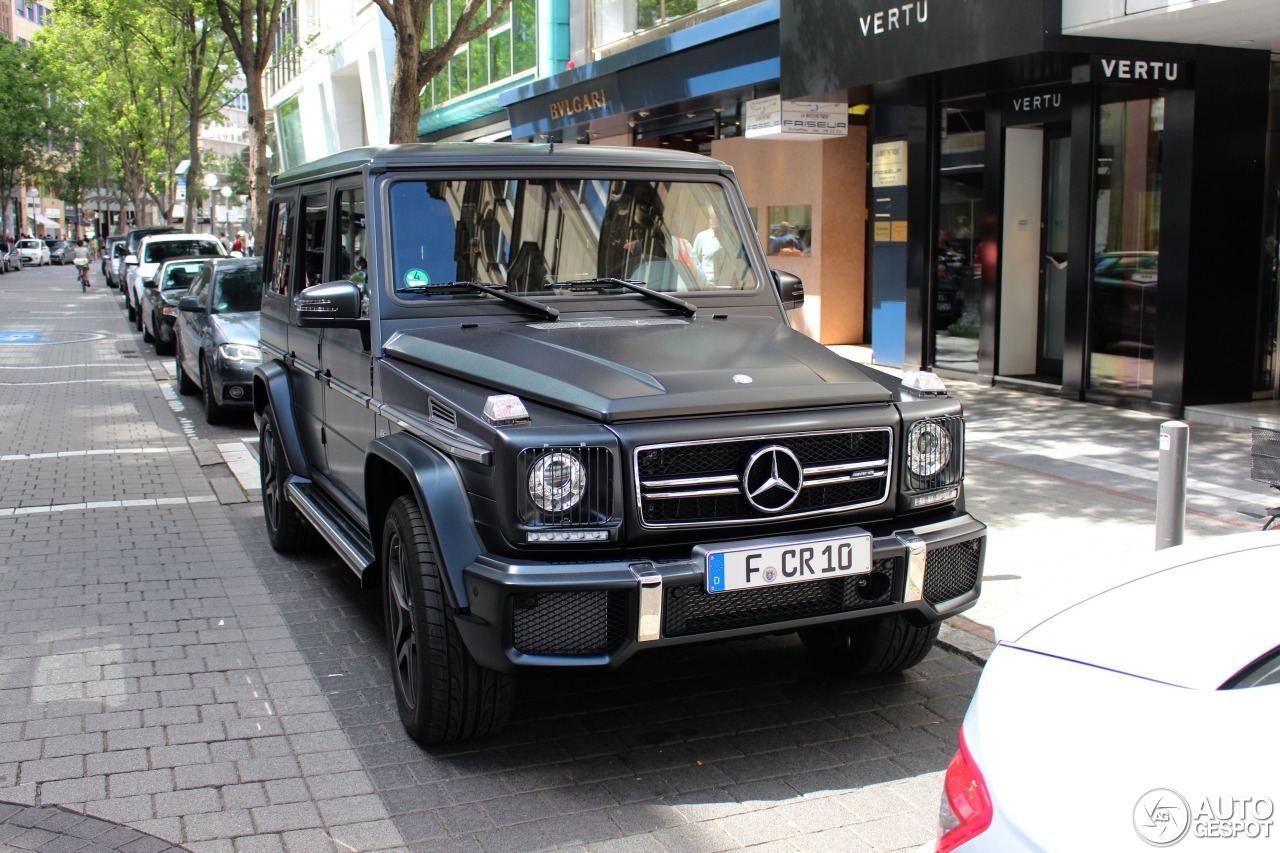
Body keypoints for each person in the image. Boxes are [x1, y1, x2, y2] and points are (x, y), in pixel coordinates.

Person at [691, 207, 723, 285]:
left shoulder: (729, 239)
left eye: (714, 218)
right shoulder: (702, 237)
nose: (711, 221)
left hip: (725, 285)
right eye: (710, 218)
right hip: (706, 286)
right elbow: (693, 262)